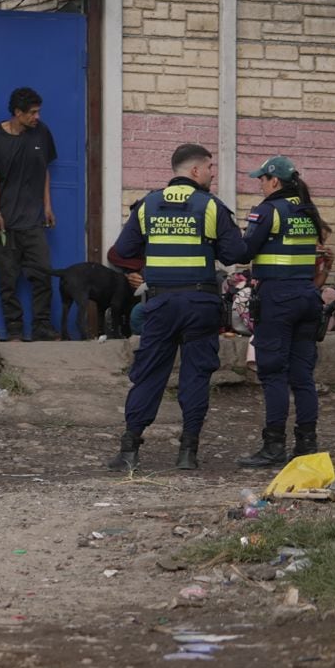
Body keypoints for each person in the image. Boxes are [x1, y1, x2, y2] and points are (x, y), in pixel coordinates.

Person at [106, 144, 247, 471]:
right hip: (200, 302)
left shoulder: (147, 205)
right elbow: (234, 252)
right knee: (196, 374)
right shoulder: (211, 207)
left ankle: (129, 449)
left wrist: (153, 263)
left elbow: (122, 250)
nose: (213, 173)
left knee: (149, 373)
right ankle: (188, 452)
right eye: (210, 167)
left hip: (161, 302)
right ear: (195, 171)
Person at [237, 156, 330, 468]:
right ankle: (307, 444)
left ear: (274, 181)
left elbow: (244, 250)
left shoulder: (267, 210)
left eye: (261, 179)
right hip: (307, 296)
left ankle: (274, 446)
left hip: (278, 298)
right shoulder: (307, 209)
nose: (260, 185)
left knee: (273, 373)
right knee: (302, 376)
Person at [0, 86, 58, 342]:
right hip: (5, 224)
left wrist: (47, 206)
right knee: (8, 279)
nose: (37, 117)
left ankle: (42, 327)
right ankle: (13, 330)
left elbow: (44, 170)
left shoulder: (41, 134)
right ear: (17, 113)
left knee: (43, 273)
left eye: (38, 111)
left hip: (33, 222)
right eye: (32, 113)